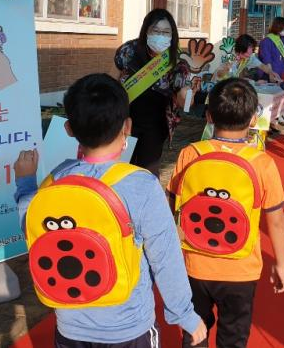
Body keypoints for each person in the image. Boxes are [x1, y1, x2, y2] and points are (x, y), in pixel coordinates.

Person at [13, 73, 207, 347]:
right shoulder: (141, 185)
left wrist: (25, 182)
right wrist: (184, 314)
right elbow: (166, 257)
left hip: (71, 327)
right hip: (130, 327)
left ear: (69, 129)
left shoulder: (56, 179)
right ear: (127, 126)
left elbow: (31, 226)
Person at [168, 78, 284, 347]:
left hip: (194, 263)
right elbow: (276, 221)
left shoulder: (190, 153)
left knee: (194, 333)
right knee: (233, 336)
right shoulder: (262, 163)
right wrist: (280, 263)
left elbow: (173, 202)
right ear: (254, 119)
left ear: (209, 116)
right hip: (241, 269)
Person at [114, 9, 190, 175]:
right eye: (156, 31)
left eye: (166, 32)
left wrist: (188, 95)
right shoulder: (129, 51)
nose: (161, 36)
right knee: (120, 167)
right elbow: (115, 78)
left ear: (172, 35)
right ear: (146, 31)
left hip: (155, 123)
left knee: (147, 171)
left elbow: (183, 100)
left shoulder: (177, 62)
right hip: (125, 118)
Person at [213, 34, 282, 83]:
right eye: (247, 53)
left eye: (251, 51)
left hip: (231, 85)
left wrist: (272, 73)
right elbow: (219, 74)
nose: (249, 55)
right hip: (218, 86)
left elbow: (262, 66)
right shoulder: (229, 56)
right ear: (240, 50)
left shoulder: (249, 57)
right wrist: (226, 69)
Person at [259, 17, 284, 83]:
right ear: (278, 27)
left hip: (281, 75)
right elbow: (266, 60)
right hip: (269, 76)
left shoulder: (283, 40)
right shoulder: (266, 41)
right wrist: (270, 73)